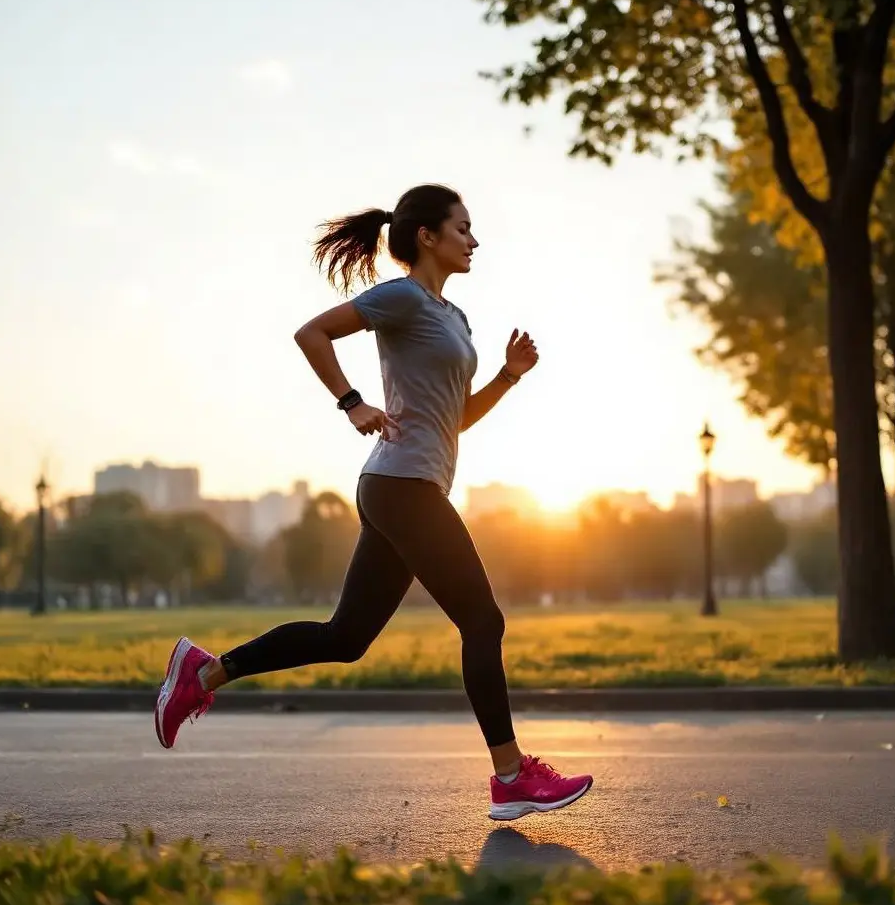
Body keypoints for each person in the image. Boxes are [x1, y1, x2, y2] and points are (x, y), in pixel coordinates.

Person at [154, 183, 593, 821]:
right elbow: (312, 333)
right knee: (483, 621)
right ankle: (510, 776)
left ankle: (203, 674)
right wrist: (352, 402)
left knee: (347, 636)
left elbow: (454, 420)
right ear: (427, 237)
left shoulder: (454, 318)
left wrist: (505, 377)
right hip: (401, 486)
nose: (474, 240)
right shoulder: (402, 297)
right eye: (463, 228)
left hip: (410, 484)